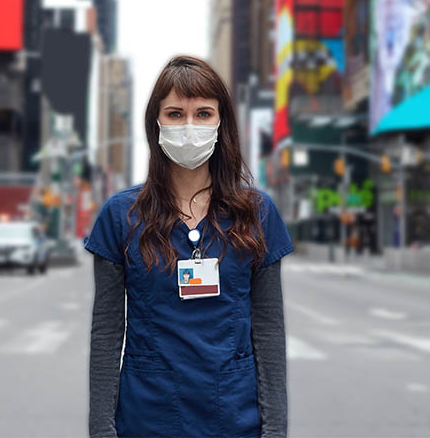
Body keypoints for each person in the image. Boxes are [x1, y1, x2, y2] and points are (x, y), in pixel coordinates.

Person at [85, 55, 293, 438]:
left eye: (203, 114)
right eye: (176, 114)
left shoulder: (257, 215)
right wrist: (101, 430)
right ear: (157, 123)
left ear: (221, 123)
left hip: (235, 418)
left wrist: (276, 431)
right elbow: (106, 334)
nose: (189, 127)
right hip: (147, 418)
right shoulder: (121, 216)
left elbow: (268, 334)